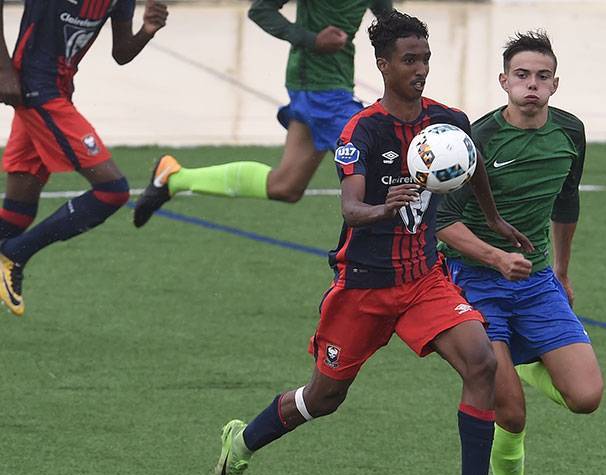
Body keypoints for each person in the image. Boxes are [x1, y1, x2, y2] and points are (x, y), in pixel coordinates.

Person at [212, 11, 534, 475]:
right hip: (362, 286)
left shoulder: (448, 120)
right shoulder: (361, 130)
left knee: (481, 363)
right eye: (409, 60)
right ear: (382, 65)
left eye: (425, 58)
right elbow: (351, 209)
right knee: (324, 399)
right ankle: (242, 441)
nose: (420, 69)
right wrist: (386, 207)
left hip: (425, 280)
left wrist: (495, 221)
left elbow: (470, 166)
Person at [436, 31, 605, 475]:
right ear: (504, 81)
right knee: (509, 410)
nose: (532, 85)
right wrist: (495, 255)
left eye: (543, 76)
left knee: (586, 398)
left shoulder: (570, 132)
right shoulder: (480, 140)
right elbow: (443, 222)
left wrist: (563, 270)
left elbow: (567, 202)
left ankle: (526, 362)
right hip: (475, 279)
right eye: (523, 75)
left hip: (535, 283)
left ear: (555, 84)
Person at [132, 0, 393, 228]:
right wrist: (312, 40)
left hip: (335, 87)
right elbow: (261, 10)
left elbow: (390, 24)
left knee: (286, 186)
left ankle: (174, 177)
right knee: (381, 165)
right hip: (317, 90)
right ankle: (409, 259)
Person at [0, 0, 168, 316]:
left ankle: (11, 247)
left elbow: (122, 53)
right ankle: (15, 253)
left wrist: (147, 30)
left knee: (17, 213)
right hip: (37, 90)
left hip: (57, 92)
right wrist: (3, 67)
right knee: (112, 190)